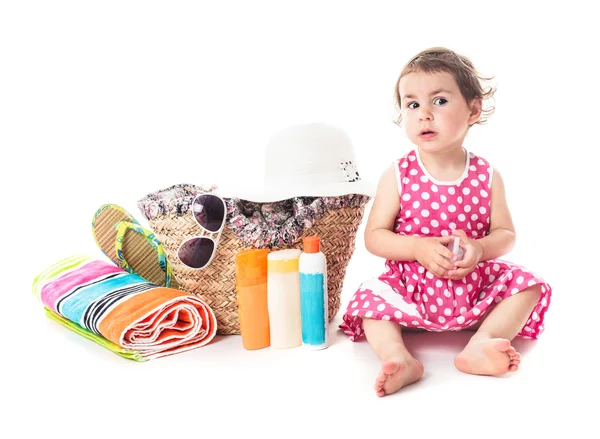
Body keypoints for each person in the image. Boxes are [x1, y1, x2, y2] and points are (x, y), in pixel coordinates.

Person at [339, 47, 551, 397]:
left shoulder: (486, 175)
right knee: (368, 300)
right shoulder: (398, 175)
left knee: (529, 285)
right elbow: (375, 237)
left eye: (438, 101)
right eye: (412, 104)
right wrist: (416, 248)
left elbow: (506, 234)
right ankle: (399, 358)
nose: (424, 115)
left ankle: (482, 343)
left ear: (472, 109)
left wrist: (481, 248)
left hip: (473, 286)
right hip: (412, 289)